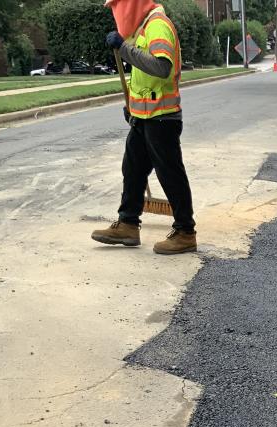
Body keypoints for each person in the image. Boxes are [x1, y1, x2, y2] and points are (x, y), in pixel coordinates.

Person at [92, 0, 197, 255]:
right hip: (144, 116)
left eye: (118, 7)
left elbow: (161, 68)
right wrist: (133, 106)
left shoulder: (158, 26)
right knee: (133, 169)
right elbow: (142, 78)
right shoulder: (143, 28)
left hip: (162, 117)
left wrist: (124, 48)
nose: (117, 14)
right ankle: (128, 223)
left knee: (170, 174)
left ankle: (185, 232)